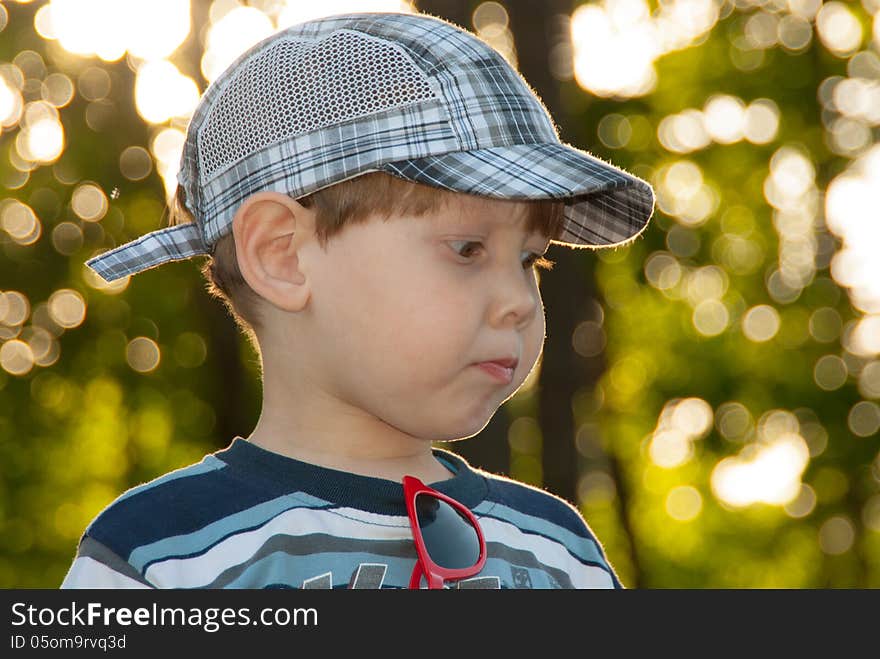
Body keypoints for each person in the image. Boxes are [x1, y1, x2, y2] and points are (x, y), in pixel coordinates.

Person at [61, 11, 654, 589]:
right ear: (282, 255)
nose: (520, 302)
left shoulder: (557, 552)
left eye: (530, 260)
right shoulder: (163, 554)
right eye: (468, 249)